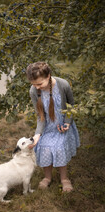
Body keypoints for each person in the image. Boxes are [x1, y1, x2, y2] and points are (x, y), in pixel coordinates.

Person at [26, 62, 80, 192]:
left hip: (62, 125)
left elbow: (71, 106)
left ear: (48, 76)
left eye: (39, 84)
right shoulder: (34, 91)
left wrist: (67, 123)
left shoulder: (63, 85)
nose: (37, 87)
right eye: (33, 84)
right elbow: (40, 117)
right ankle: (47, 177)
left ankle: (64, 178)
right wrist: (37, 135)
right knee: (44, 147)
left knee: (59, 147)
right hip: (47, 127)